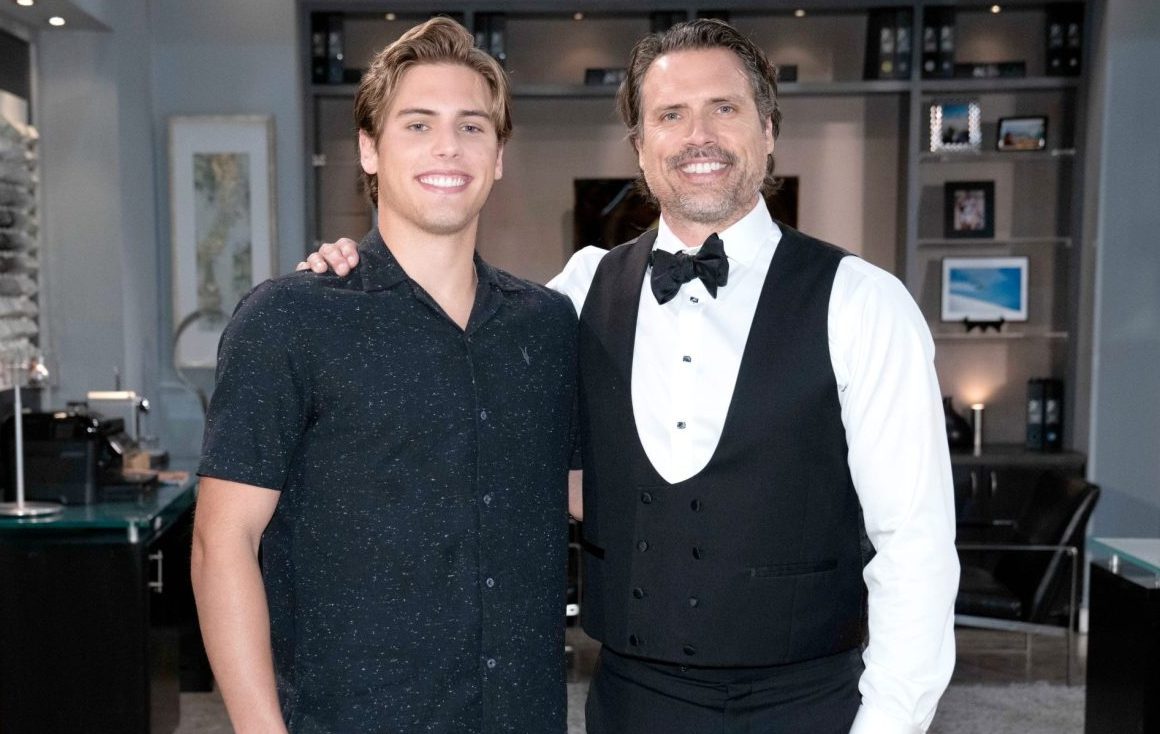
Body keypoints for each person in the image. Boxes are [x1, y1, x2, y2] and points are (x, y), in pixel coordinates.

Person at [305, 18, 959, 734]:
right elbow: (455, 366)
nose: (698, 136)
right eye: (670, 115)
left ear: (768, 129)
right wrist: (359, 275)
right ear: (640, 146)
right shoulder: (577, 292)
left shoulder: (863, 302)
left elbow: (915, 542)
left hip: (809, 705)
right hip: (629, 703)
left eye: (724, 108)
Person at [193, 18, 577, 734]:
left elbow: (589, 492)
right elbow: (223, 543)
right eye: (418, 124)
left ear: (498, 156)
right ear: (369, 148)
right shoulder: (289, 319)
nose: (447, 146)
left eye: (472, 127)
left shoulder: (548, 326)